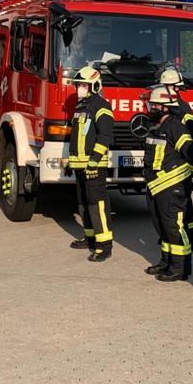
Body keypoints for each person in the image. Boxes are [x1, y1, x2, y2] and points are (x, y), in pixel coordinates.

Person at [142, 84, 193, 281]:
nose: (151, 108)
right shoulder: (156, 127)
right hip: (156, 186)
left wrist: (178, 177)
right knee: (163, 227)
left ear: (166, 107)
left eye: (155, 105)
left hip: (170, 187)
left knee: (174, 228)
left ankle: (180, 267)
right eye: (151, 104)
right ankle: (166, 261)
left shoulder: (175, 128)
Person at [67, 66, 115, 262]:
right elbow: (77, 138)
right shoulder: (80, 107)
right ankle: (89, 238)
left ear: (94, 85)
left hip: (94, 167)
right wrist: (71, 162)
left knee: (97, 205)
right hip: (80, 166)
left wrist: (94, 162)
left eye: (84, 85)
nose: (80, 87)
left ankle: (104, 245)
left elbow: (105, 137)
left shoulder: (101, 106)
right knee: (83, 204)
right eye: (79, 84)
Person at [159, 66, 193, 272]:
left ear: (176, 88)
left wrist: (187, 166)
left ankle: (189, 246)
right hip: (170, 170)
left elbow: (192, 142)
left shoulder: (184, 110)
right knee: (174, 216)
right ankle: (169, 256)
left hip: (180, 170)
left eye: (168, 86)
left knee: (184, 214)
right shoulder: (167, 109)